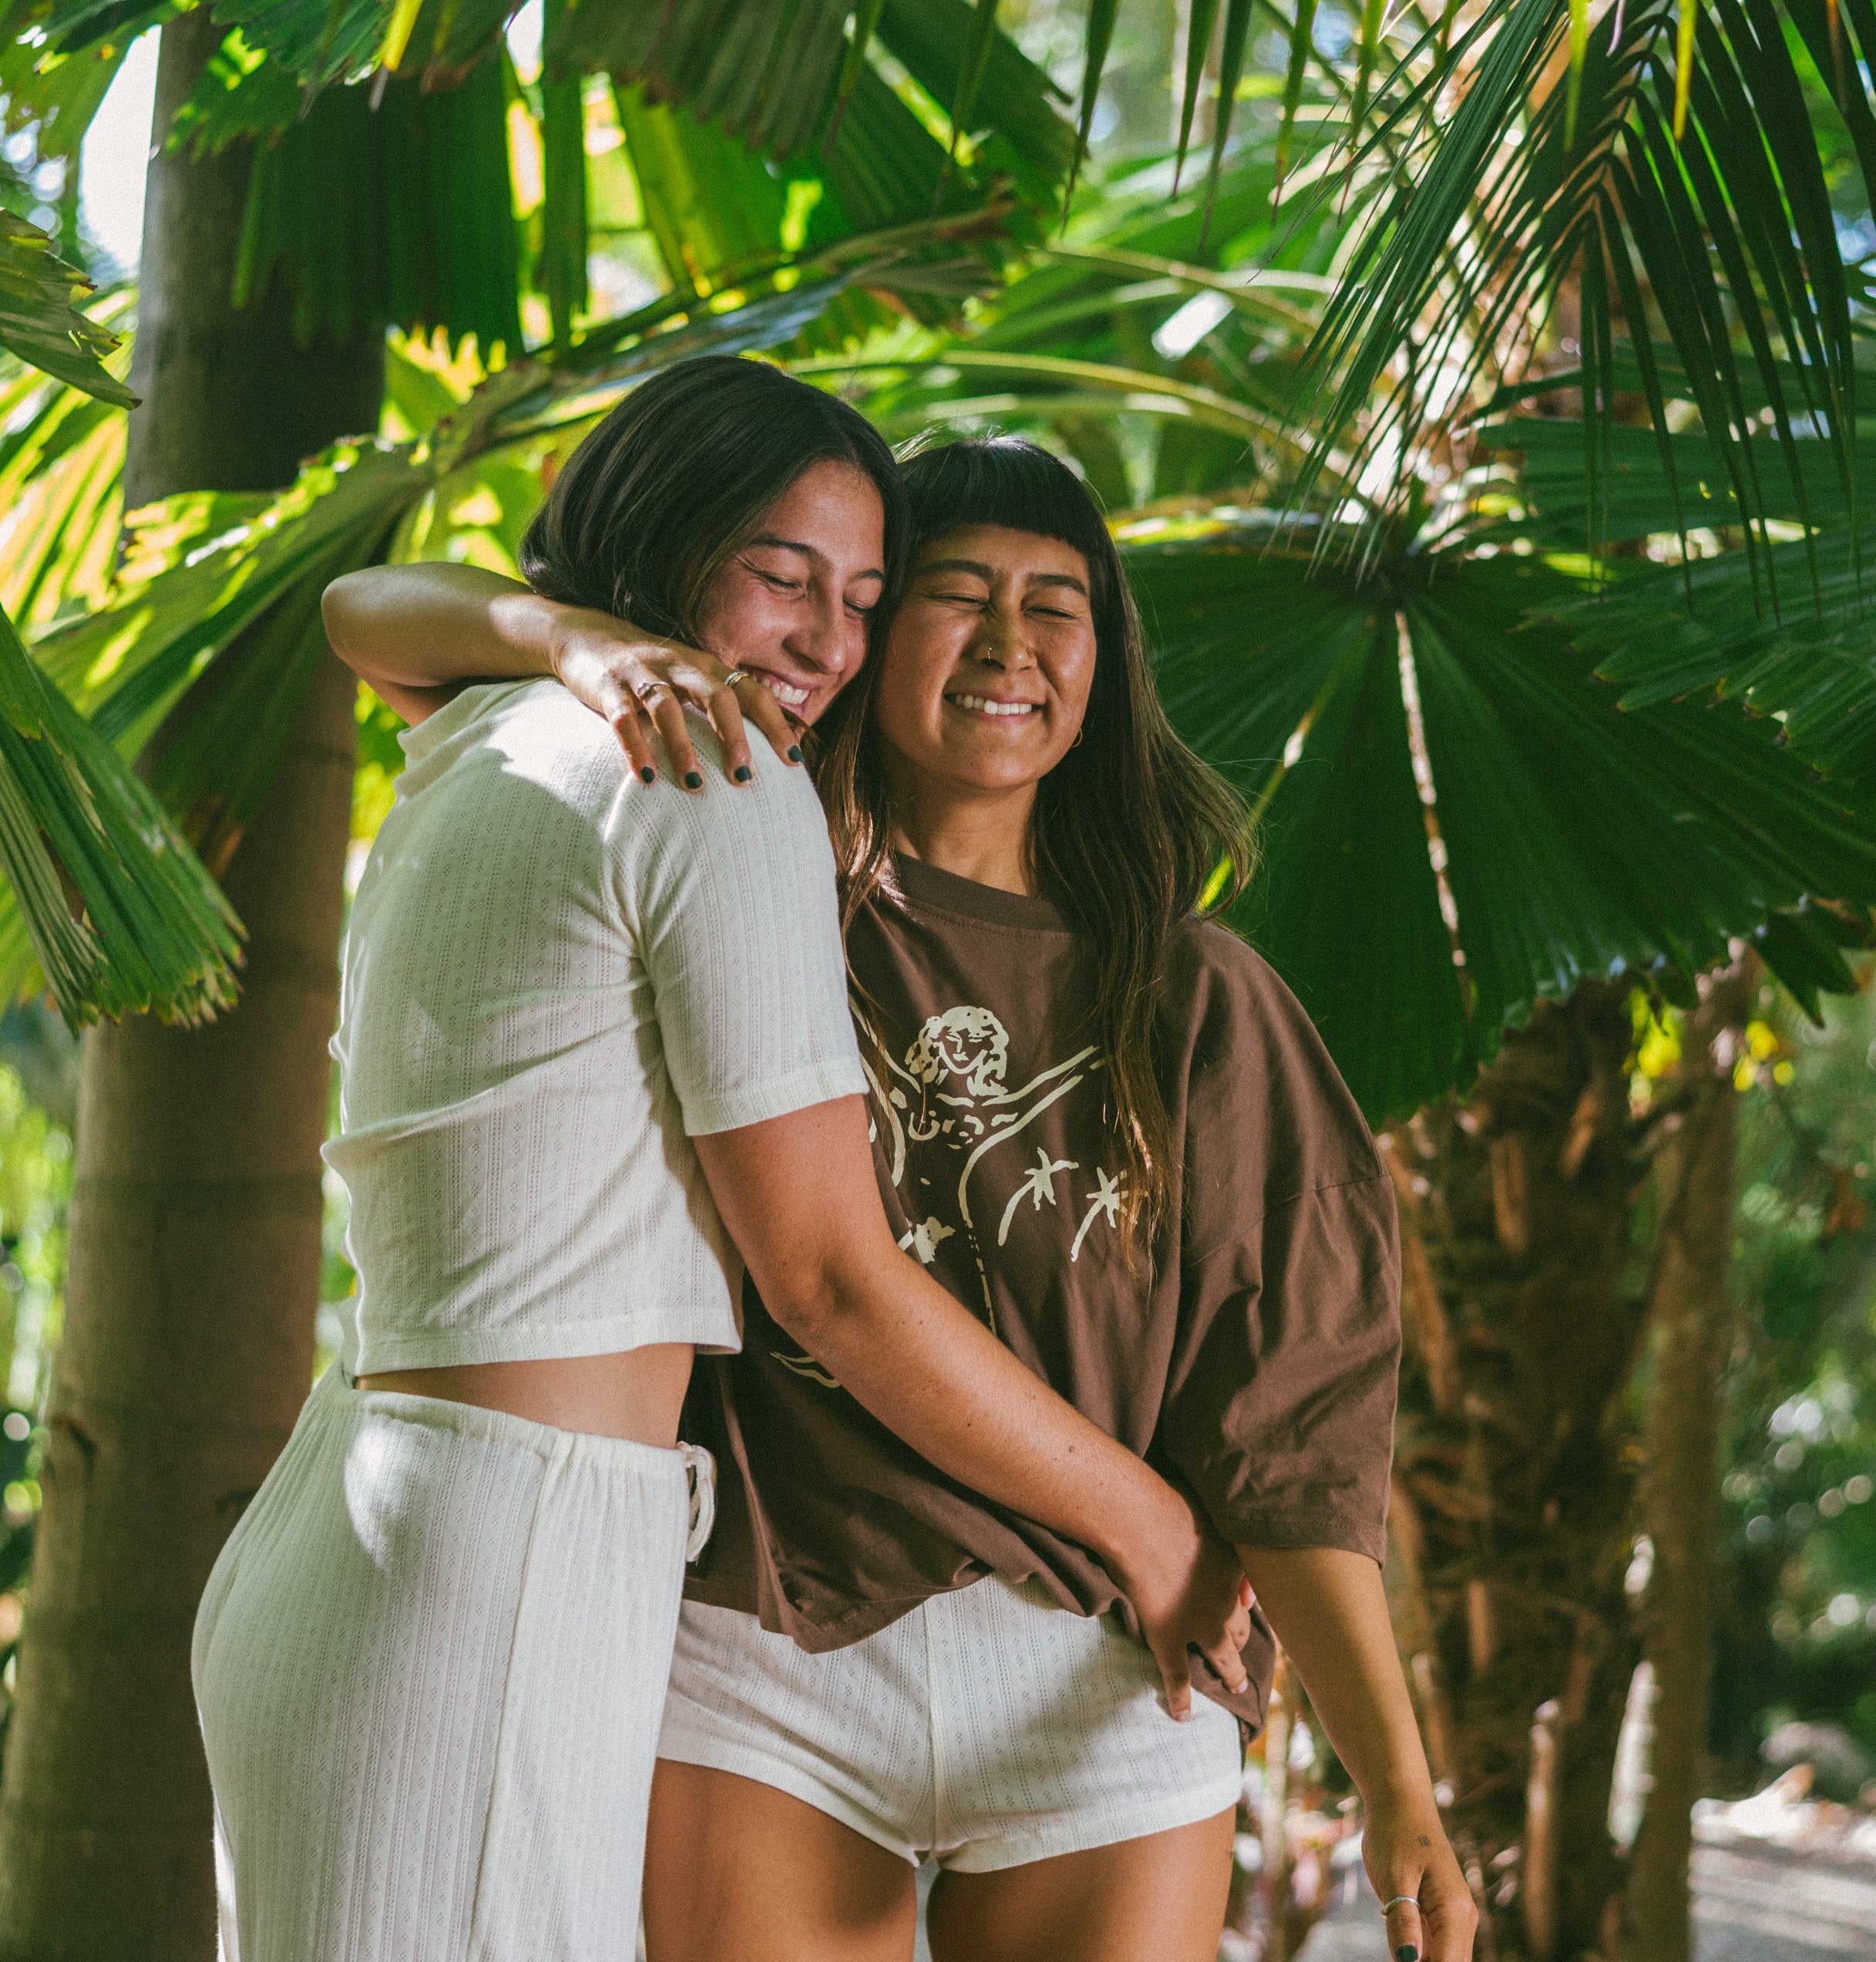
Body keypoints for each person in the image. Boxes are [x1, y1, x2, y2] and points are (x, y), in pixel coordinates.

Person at [325, 431, 1476, 1962]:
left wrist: (1395, 1781)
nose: (1009, 644)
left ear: (1105, 662)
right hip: (762, 1651)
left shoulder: (1198, 999)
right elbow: (368, 616)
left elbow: (1292, 1428)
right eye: (955, 594)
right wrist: (580, 643)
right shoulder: (727, 844)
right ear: (865, 638)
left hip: (1102, 1674)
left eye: (1056, 606)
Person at [195, 363, 1249, 1962]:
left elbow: (364, 608)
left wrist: (563, 636)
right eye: (781, 576)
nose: (826, 643)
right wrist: (1153, 1527)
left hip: (361, 1508)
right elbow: (827, 1277)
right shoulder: (713, 772)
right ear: (670, 540)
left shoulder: (493, 725)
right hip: (508, 1556)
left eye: (864, 600)